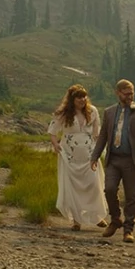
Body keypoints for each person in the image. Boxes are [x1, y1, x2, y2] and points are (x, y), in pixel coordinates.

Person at [90, 78, 135, 242]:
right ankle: (116, 218)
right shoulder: (109, 112)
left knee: (132, 196)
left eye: (132, 93)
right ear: (118, 93)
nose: (130, 97)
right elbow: (103, 135)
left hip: (132, 160)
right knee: (109, 189)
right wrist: (95, 156)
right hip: (113, 159)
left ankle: (128, 230)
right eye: (126, 94)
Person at [47, 84, 108, 231]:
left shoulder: (92, 111)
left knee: (93, 184)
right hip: (69, 154)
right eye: (79, 97)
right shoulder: (63, 113)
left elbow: (96, 131)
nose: (82, 99)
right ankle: (76, 220)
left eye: (84, 96)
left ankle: (97, 216)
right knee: (72, 187)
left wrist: (98, 149)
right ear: (72, 99)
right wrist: (55, 145)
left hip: (89, 153)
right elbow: (53, 131)